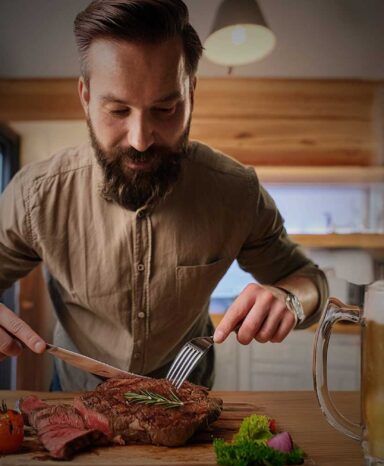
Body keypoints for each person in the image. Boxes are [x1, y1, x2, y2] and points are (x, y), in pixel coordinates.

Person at [0, 0, 328, 391]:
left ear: (192, 94)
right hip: (76, 400)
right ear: (86, 98)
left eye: (165, 109)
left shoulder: (236, 192)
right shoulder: (37, 196)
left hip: (189, 400)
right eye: (118, 111)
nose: (140, 141)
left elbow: (311, 282)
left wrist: (290, 299)